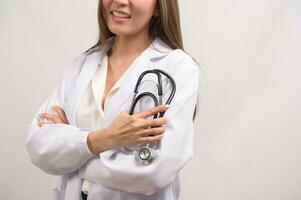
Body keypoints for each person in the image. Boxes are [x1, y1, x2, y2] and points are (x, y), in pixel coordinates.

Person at [25, 0, 201, 199]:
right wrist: (106, 138)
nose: (119, 1)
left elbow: (157, 171)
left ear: (159, 7)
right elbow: (38, 145)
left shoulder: (178, 68)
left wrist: (73, 155)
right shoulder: (82, 65)